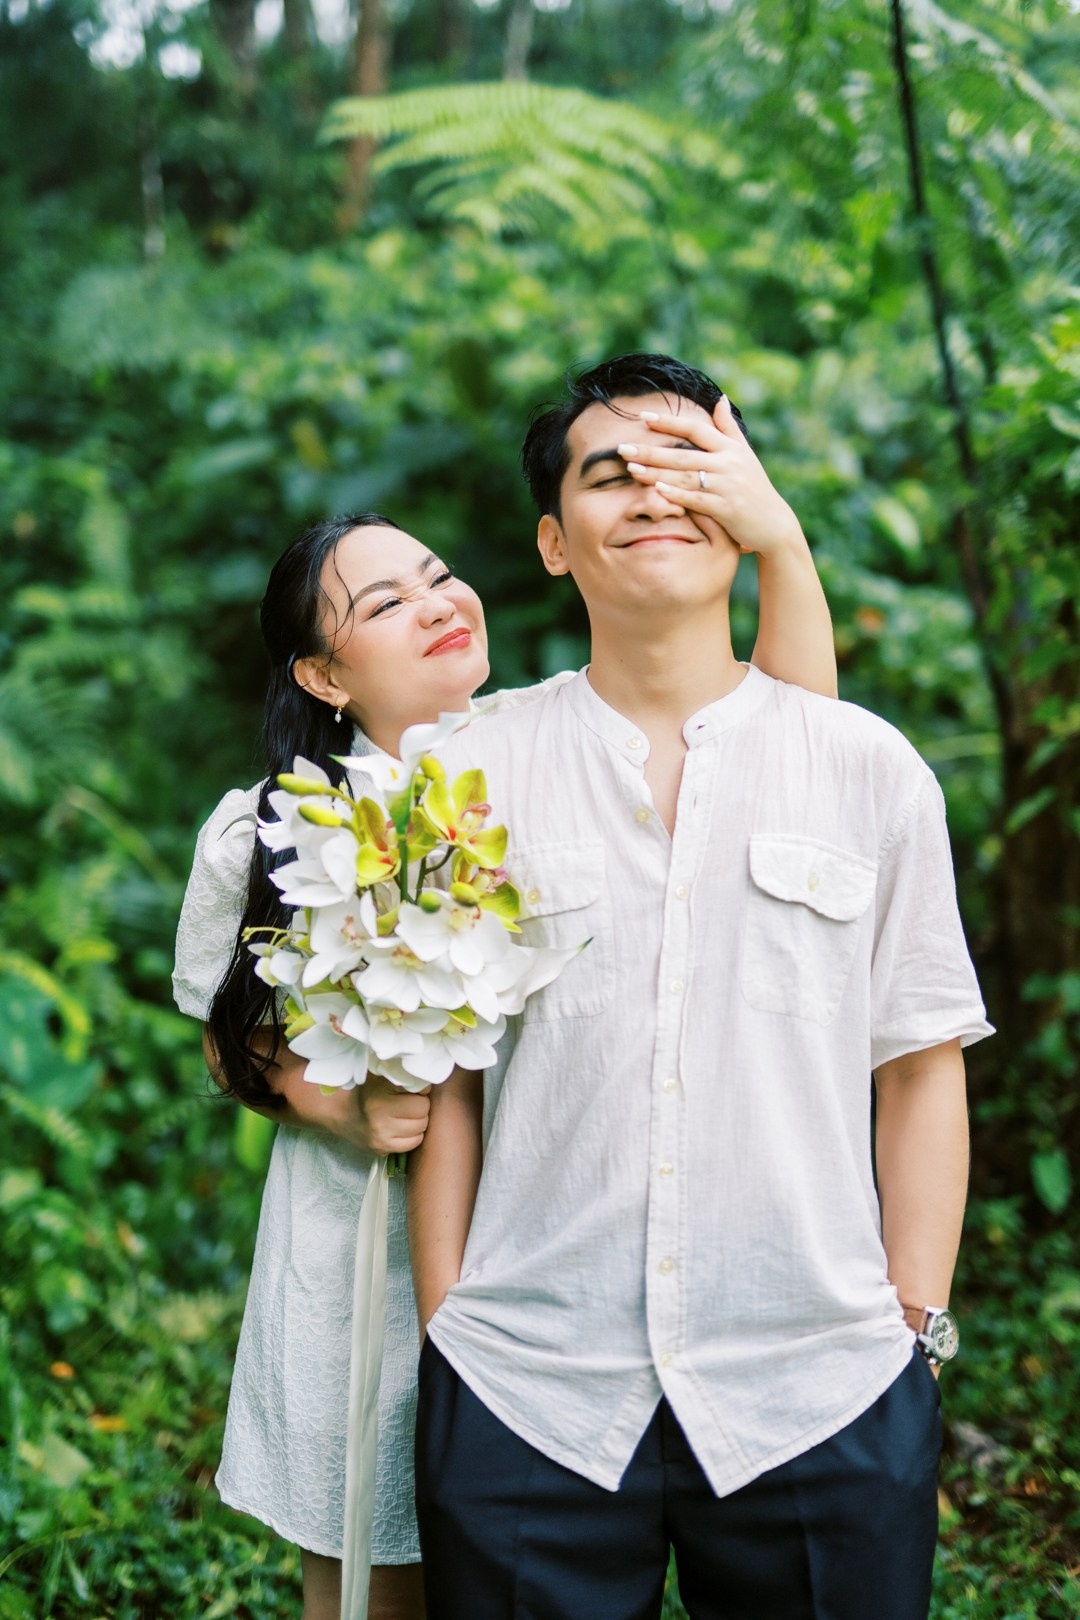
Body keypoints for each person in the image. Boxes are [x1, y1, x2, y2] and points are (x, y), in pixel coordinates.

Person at [171, 395, 838, 1620]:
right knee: (368, 1566)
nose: (436, 600)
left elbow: (795, 747)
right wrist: (338, 1107)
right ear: (320, 674)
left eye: (434, 576)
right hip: (358, 1244)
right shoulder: (266, 831)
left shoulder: (535, 752)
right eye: (382, 604)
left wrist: (780, 547)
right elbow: (236, 1036)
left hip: (547, 1241)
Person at [409, 352, 994, 1620]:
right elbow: (444, 1077)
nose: (655, 496)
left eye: (690, 465)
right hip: (528, 1385)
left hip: (823, 1383)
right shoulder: (472, 774)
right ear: (556, 544)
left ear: (746, 504)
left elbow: (922, 1064)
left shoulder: (868, 772)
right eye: (611, 475)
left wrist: (915, 1333)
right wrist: (450, 1327)